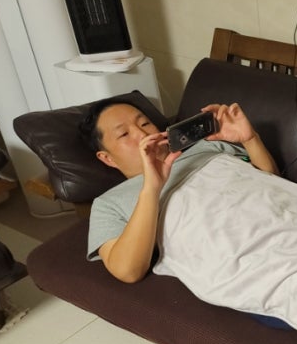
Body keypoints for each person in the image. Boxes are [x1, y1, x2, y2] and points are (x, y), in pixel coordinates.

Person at [80, 101, 279, 283]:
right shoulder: (108, 203)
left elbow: (272, 183)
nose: (142, 134)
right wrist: (152, 188)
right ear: (107, 158)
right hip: (239, 248)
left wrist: (250, 139)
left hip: (276, 215)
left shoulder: (208, 146)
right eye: (124, 134)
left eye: (145, 123)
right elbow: (128, 271)